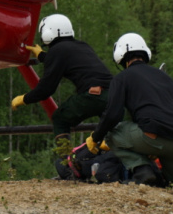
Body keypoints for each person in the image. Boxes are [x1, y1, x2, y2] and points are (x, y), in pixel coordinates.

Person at [85, 32, 173, 203]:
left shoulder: (122, 78)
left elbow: (112, 115)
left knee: (111, 133)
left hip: (151, 137)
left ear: (121, 55)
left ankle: (143, 171)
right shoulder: (166, 78)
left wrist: (95, 137)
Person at [11, 14, 112, 142]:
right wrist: (42, 56)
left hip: (93, 95)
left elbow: (46, 89)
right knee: (110, 128)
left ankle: (66, 158)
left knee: (60, 119)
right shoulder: (82, 45)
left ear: (48, 32)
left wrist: (24, 99)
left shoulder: (57, 50)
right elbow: (66, 61)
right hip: (113, 94)